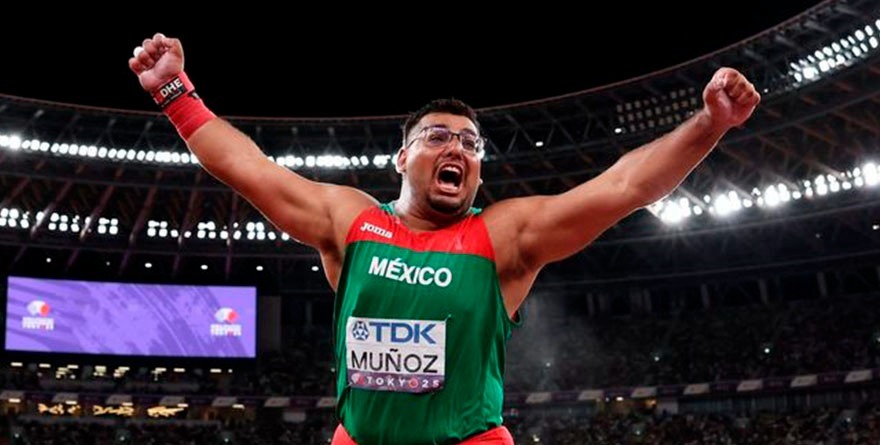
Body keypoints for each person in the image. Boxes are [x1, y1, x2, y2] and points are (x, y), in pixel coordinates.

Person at [129, 33, 759, 445]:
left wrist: (710, 123)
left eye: (470, 143)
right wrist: (173, 91)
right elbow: (248, 167)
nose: (457, 147)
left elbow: (624, 186)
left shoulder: (504, 236)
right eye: (437, 136)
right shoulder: (350, 220)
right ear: (402, 158)